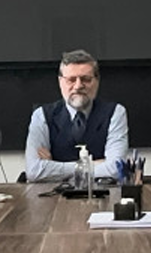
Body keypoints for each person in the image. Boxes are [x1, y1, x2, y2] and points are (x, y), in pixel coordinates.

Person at [24, 49, 129, 182]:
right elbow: (34, 171)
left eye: (86, 79)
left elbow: (115, 168)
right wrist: (95, 164)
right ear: (60, 82)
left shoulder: (115, 113)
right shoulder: (41, 116)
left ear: (97, 81)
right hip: (53, 197)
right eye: (71, 80)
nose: (78, 86)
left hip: (102, 196)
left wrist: (54, 168)